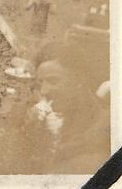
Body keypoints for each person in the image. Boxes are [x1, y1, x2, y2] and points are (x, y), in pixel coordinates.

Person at [28, 41, 111, 173]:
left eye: (53, 81)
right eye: (40, 83)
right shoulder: (59, 115)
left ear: (79, 80)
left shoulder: (99, 133)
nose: (43, 91)